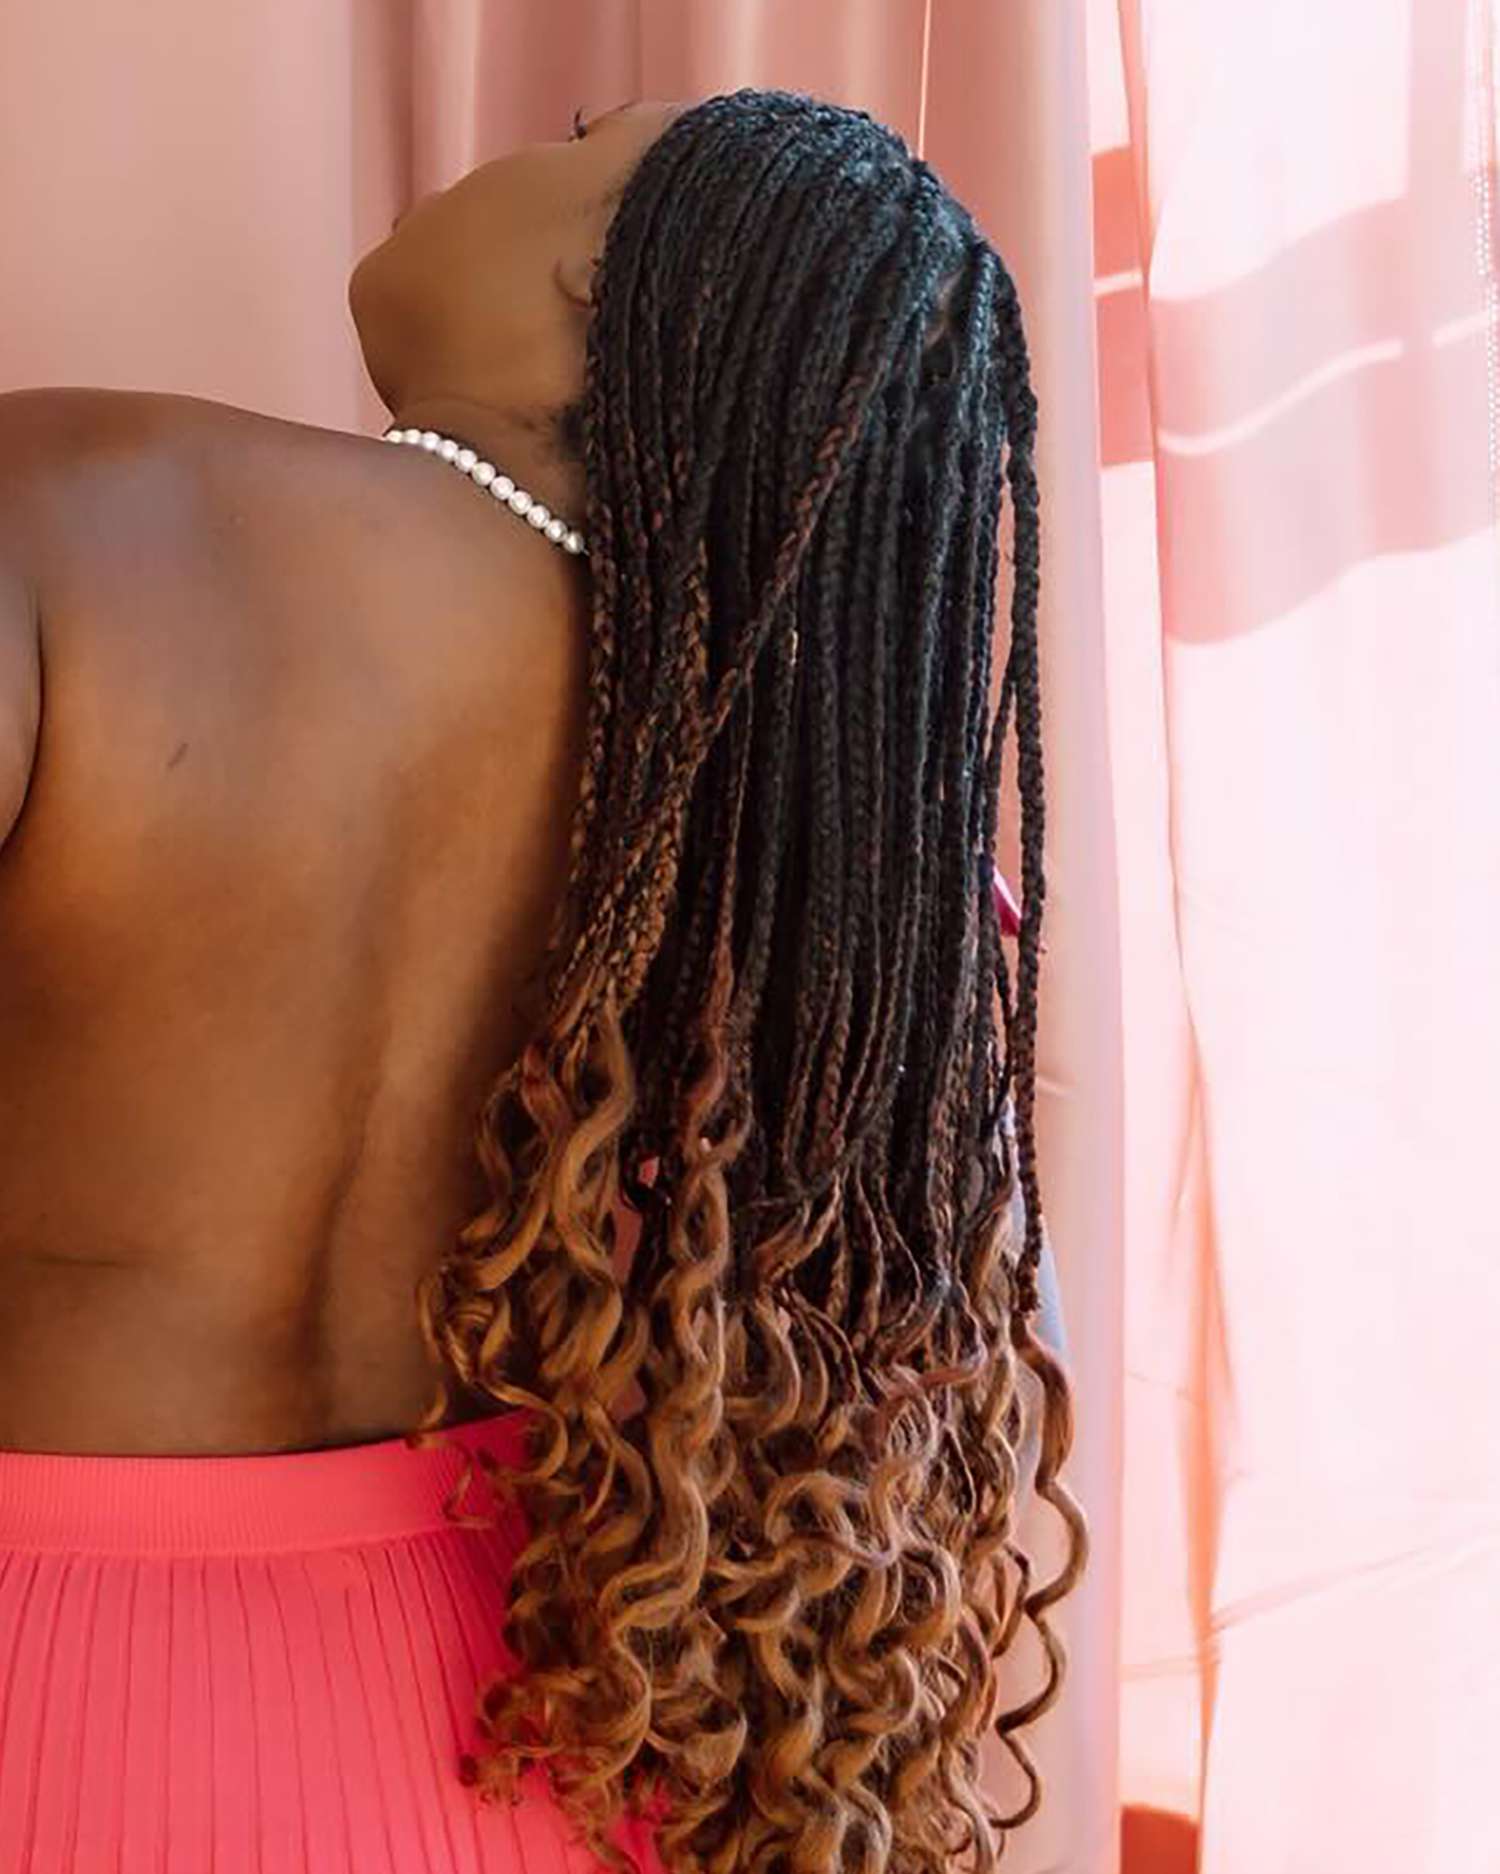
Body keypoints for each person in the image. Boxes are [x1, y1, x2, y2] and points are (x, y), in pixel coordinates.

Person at [0, 88, 1083, 1874]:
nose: (494, 153)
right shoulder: (798, 849)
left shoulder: (78, 513)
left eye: (577, 129)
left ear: (605, 273)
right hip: (535, 1752)